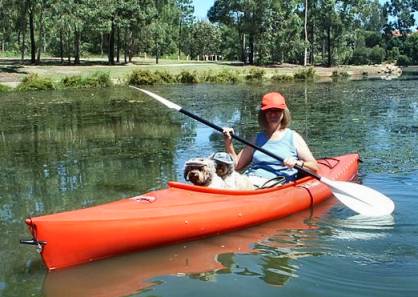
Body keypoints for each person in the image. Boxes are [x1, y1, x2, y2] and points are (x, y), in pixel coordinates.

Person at [223, 92, 319, 188]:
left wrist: (297, 163)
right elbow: (237, 166)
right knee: (226, 180)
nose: (273, 114)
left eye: (277, 110)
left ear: (283, 112)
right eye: (269, 111)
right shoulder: (257, 138)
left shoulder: (293, 137)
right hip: (251, 179)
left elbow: (314, 166)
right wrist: (228, 142)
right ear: (264, 113)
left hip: (275, 183)